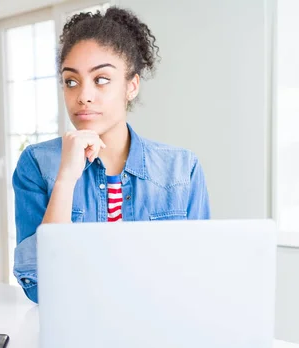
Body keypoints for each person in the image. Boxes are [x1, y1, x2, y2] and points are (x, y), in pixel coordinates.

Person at [12, 6, 210, 303]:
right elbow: (40, 287)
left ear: (131, 86)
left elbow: (199, 275)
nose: (83, 95)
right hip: (74, 330)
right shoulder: (37, 165)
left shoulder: (182, 169)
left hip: (160, 330)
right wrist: (66, 178)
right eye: (71, 81)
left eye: (101, 79)